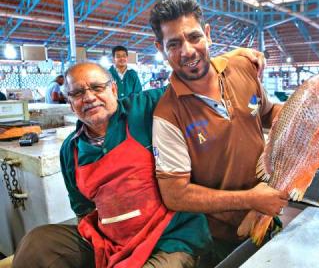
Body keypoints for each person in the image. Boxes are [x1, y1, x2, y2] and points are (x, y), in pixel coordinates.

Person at [12, 62, 211, 268]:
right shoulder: (70, 149)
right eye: (78, 93)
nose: (89, 97)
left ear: (114, 89)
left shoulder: (144, 109)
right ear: (71, 103)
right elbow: (83, 208)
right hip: (109, 242)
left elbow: (193, 83)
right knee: (37, 244)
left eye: (97, 88)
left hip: (169, 238)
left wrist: (234, 58)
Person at [150, 0, 289, 266]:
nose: (188, 51)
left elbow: (267, 113)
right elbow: (175, 194)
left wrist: (314, 111)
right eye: (174, 44)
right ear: (160, 48)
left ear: (208, 34)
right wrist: (250, 199)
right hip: (217, 237)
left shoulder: (242, 68)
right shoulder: (168, 115)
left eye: (194, 37)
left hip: (269, 211)